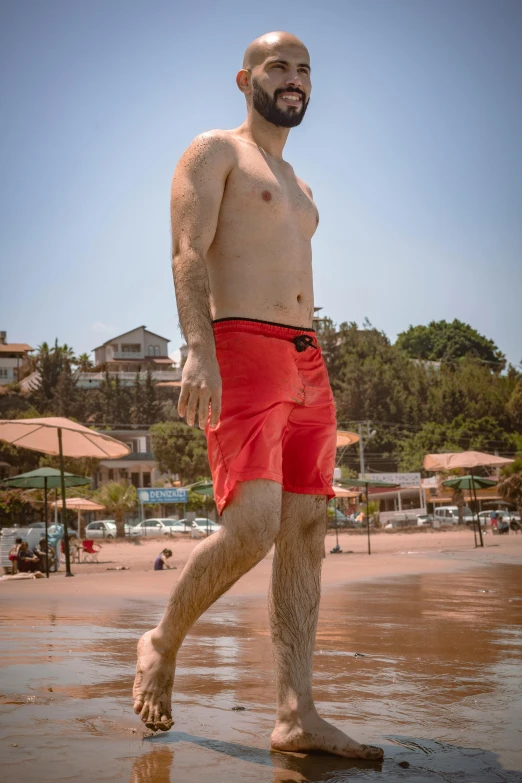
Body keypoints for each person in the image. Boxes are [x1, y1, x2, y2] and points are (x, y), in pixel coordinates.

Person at [133, 31, 383, 761]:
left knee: (305, 531)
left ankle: (295, 711)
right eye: (279, 66)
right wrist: (196, 347)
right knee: (254, 524)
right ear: (245, 77)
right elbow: (186, 251)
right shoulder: (215, 151)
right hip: (239, 346)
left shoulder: (302, 185)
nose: (295, 78)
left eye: (305, 69)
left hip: (308, 358)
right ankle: (162, 638)